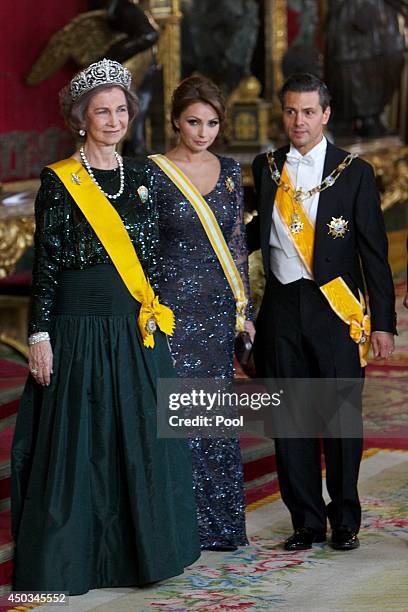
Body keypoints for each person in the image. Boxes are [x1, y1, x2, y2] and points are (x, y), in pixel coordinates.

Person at [11, 58, 200, 595]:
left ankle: (141, 556)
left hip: (132, 325)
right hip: (79, 326)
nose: (114, 120)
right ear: (81, 118)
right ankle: (77, 561)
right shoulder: (60, 181)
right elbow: (46, 265)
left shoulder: (142, 176)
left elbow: (153, 257)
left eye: (120, 109)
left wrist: (157, 314)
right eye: (102, 111)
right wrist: (40, 335)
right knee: (82, 443)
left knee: (140, 439)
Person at [247, 73, 396, 551]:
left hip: (336, 307)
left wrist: (384, 323)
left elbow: (374, 253)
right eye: (290, 111)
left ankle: (345, 519)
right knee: (291, 419)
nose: (299, 121)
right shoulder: (266, 167)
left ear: (325, 115)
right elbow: (251, 236)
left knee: (339, 419)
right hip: (281, 307)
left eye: (308, 112)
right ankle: (306, 522)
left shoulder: (354, 172)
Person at [146, 76, 255, 550]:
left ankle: (218, 525)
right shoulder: (151, 172)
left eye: (211, 123)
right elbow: (142, 246)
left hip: (215, 306)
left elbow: (237, 247)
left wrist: (244, 309)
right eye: (193, 121)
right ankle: (175, 527)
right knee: (173, 412)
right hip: (170, 306)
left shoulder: (231, 170)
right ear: (175, 120)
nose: (202, 131)